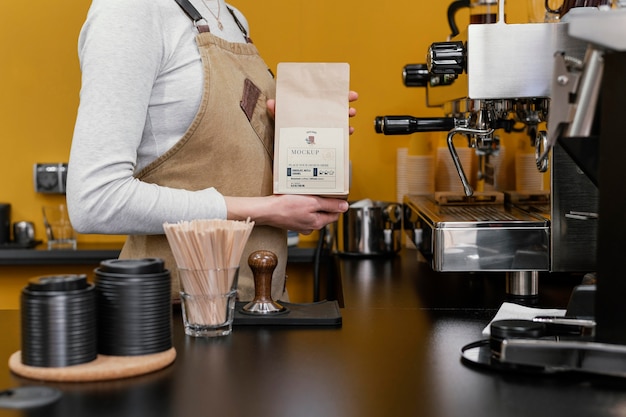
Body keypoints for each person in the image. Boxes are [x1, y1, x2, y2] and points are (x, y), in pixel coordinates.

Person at [67, 0, 358, 301]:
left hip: (260, 306)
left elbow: (227, 154)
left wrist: (298, 129)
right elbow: (94, 200)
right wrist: (266, 211)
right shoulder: (131, 9)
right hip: (172, 317)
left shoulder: (233, 18)